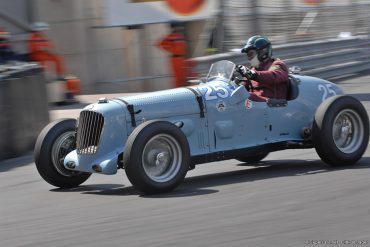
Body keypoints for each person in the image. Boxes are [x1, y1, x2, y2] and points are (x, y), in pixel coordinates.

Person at [236, 35, 289, 102]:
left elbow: (275, 76)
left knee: (249, 97)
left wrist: (254, 75)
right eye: (248, 55)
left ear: (262, 52)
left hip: (272, 106)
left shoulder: (277, 64)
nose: (249, 58)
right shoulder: (253, 70)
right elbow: (242, 90)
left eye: (251, 54)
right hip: (255, 107)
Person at [157, 22, 187, 87]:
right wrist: (170, 50)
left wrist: (170, 49)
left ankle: (182, 89)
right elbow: (159, 44)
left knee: (182, 75)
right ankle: (179, 90)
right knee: (178, 77)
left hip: (181, 58)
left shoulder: (179, 35)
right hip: (175, 58)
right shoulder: (171, 36)